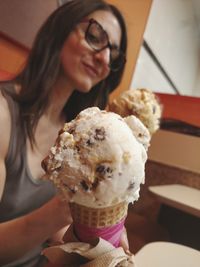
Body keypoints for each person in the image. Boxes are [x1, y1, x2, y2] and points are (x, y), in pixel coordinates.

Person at [0, 0, 128, 266]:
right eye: (94, 37)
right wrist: (62, 211)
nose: (104, 58)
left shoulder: (76, 135)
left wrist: (94, 242)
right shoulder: (3, 113)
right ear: (60, 28)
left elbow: (53, 239)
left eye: (113, 56)